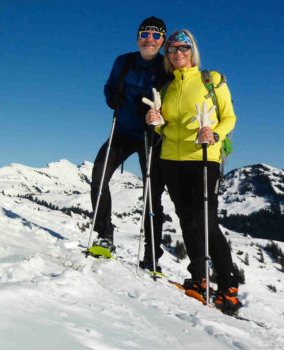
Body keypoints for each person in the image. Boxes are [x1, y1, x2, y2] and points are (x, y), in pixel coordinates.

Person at [145, 29, 241, 314]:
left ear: (192, 50)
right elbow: (165, 126)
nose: (178, 54)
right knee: (186, 219)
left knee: (206, 221)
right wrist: (156, 120)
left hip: (203, 157)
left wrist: (215, 134)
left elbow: (230, 117)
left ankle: (228, 286)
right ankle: (198, 279)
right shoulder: (166, 88)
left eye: (183, 48)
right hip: (171, 159)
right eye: (172, 50)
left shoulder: (211, 80)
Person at [89, 17, 172, 269]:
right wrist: (111, 98)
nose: (149, 39)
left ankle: (151, 252)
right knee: (98, 176)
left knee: (152, 194)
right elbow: (109, 86)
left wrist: (159, 115)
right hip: (123, 132)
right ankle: (105, 235)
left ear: (163, 41)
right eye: (145, 34)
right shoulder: (123, 62)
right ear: (138, 37)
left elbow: (176, 103)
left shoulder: (167, 68)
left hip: (151, 137)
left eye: (156, 35)